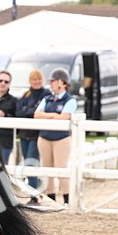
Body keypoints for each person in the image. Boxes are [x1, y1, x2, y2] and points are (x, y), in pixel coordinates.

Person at [34, 67, 77, 206]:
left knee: (60, 169)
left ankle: (66, 199)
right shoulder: (47, 99)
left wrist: (50, 117)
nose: (51, 83)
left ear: (62, 83)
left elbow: (64, 117)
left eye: (53, 81)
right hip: (44, 137)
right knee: (47, 169)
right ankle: (50, 199)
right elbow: (37, 115)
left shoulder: (70, 100)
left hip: (61, 139)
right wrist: (53, 115)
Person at [16, 69, 47, 195]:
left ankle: (34, 192)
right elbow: (19, 112)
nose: (37, 81)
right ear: (30, 81)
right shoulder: (25, 95)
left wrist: (28, 111)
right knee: (27, 161)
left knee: (31, 162)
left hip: (36, 135)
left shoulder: (46, 94)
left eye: (39, 79)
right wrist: (31, 111)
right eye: (34, 79)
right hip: (24, 134)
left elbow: (37, 113)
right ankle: (33, 191)